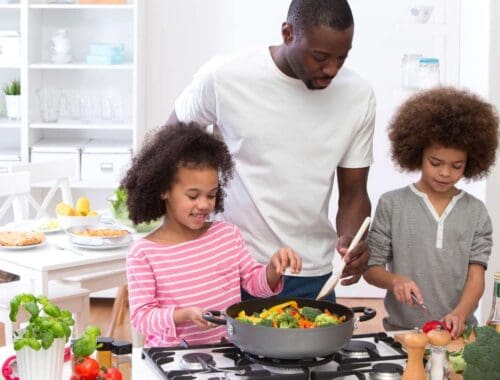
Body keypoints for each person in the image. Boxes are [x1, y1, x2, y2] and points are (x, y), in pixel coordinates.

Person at [166, 0, 376, 300]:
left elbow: (354, 192)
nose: (331, 69)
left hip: (311, 273)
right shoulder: (224, 76)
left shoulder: (358, 95)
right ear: (288, 33)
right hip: (231, 266)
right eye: (320, 56)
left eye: (342, 58)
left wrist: (352, 241)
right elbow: (168, 149)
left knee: (316, 348)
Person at [122, 123, 302, 347]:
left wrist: (273, 269)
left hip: (226, 352)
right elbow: (142, 318)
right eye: (193, 195)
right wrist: (184, 314)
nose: (205, 204)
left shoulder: (226, 235)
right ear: (164, 190)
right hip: (173, 359)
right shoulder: (144, 253)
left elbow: (255, 285)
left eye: (212, 195)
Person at [364, 87, 499, 339]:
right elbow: (372, 269)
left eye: (456, 166)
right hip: (402, 333)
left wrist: (459, 314)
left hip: (458, 333)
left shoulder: (476, 212)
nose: (445, 173)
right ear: (417, 154)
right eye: (435, 163)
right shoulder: (392, 204)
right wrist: (395, 281)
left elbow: (476, 278)